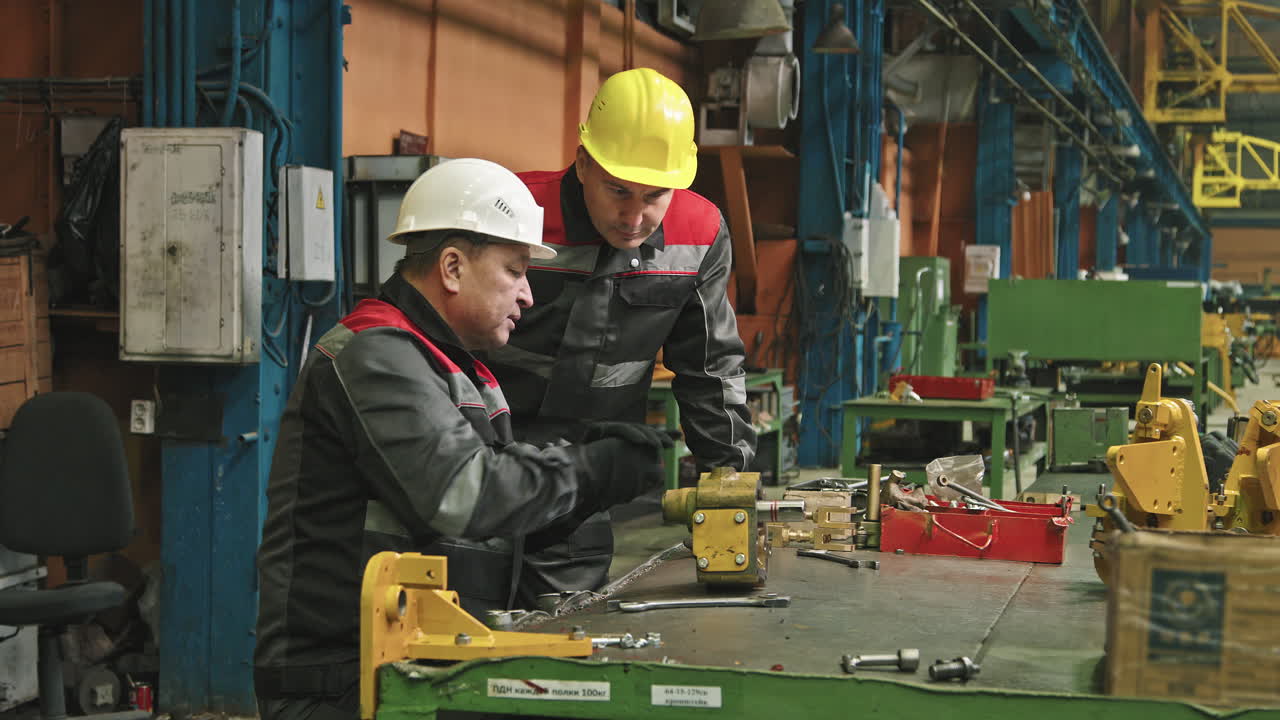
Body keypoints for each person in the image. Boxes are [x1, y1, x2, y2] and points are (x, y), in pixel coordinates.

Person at [253, 158, 669, 720]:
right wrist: (591, 470)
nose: (527, 295)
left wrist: (580, 481)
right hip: (344, 681)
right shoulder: (375, 354)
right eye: (515, 270)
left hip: (414, 662)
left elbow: (494, 516)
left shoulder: (456, 369)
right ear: (452, 266)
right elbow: (462, 493)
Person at [482, 68, 758, 603]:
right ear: (583, 163)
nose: (634, 217)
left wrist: (729, 480)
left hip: (584, 485)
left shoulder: (699, 235)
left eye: (655, 196)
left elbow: (710, 368)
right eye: (617, 191)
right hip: (481, 473)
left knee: (569, 642)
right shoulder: (511, 214)